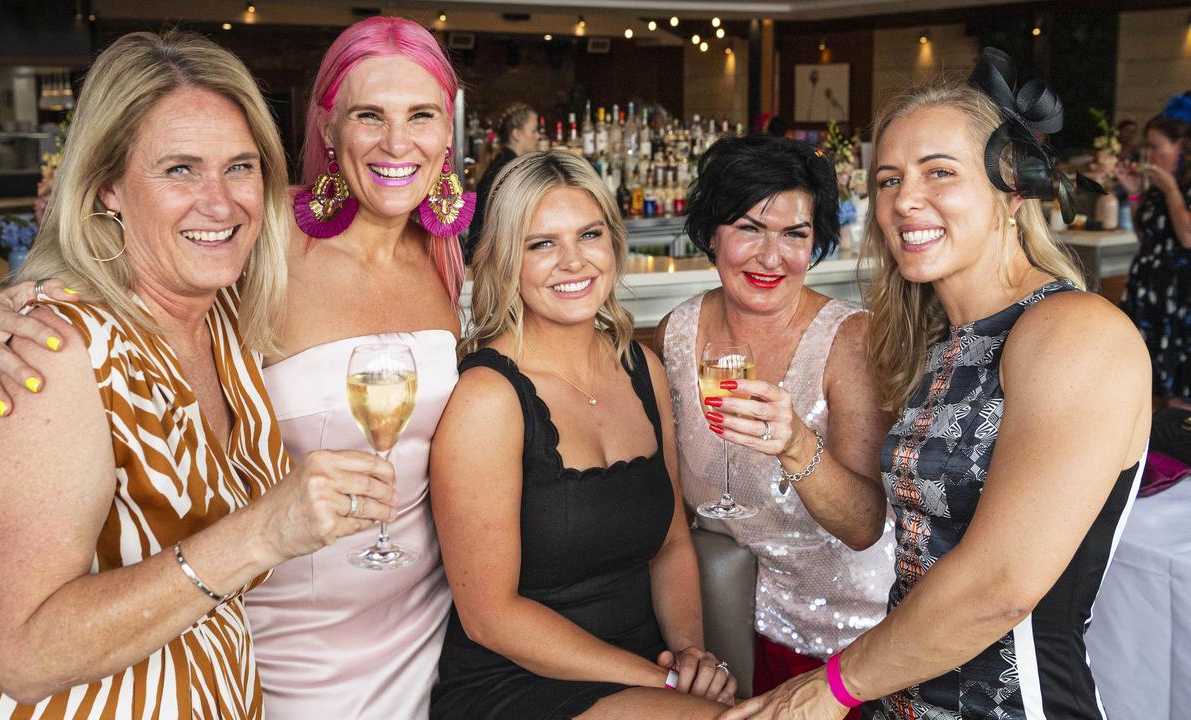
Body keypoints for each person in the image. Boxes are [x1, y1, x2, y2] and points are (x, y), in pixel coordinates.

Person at [0, 17, 471, 719]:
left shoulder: (225, 310)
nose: (220, 201)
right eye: (179, 168)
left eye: (239, 166)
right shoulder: (53, 352)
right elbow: (24, 653)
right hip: (276, 654)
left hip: (360, 649)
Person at [722, 49, 1151, 720]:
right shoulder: (941, 342)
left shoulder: (1073, 332)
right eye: (889, 179)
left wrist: (830, 687)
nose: (904, 201)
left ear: (1012, 192)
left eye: (939, 173)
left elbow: (1001, 586)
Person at [429, 150, 734, 719]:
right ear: (503, 261)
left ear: (614, 243)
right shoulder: (489, 399)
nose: (573, 262)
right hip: (517, 683)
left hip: (645, 667)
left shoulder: (643, 368)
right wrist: (662, 683)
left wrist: (690, 653)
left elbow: (670, 544)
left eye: (589, 234)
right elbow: (490, 616)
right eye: (541, 243)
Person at [652, 134, 894, 714]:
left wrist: (794, 444)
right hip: (725, 626)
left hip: (843, 644)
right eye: (749, 228)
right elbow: (670, 506)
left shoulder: (850, 341)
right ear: (712, 234)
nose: (771, 257)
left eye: (795, 234)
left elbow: (865, 526)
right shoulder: (676, 333)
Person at [1115, 94, 1191, 409]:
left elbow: (1187, 237)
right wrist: (1135, 194)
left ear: (1183, 148)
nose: (1149, 154)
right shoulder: (1160, 188)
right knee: (1146, 379)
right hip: (1150, 292)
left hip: (1181, 299)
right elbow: (1144, 235)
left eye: (1157, 147)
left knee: (1180, 388)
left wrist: (1172, 190)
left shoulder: (1177, 188)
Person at [467, 101, 537, 261]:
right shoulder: (512, 170)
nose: (537, 136)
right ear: (517, 134)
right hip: (495, 259)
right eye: (533, 131)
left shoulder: (502, 163)